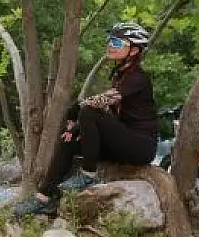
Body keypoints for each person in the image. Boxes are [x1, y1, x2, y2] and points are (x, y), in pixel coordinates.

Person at [14, 22, 159, 217]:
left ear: (133, 51)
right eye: (110, 41)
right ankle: (45, 197)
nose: (110, 45)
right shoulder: (121, 75)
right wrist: (72, 123)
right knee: (71, 135)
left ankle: (89, 175)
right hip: (122, 139)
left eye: (116, 42)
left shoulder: (138, 79)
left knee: (89, 111)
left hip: (140, 146)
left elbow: (103, 101)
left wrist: (77, 110)